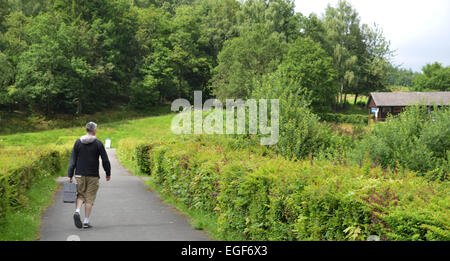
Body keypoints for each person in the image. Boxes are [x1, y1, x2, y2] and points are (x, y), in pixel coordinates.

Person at [68, 122, 111, 229]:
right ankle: (86, 222)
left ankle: (77, 212)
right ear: (94, 130)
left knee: (80, 194)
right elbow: (105, 160)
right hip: (93, 175)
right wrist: (108, 173)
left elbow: (73, 160)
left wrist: (70, 174)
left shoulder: (78, 143)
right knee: (90, 198)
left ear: (86, 130)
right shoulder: (98, 144)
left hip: (79, 174)